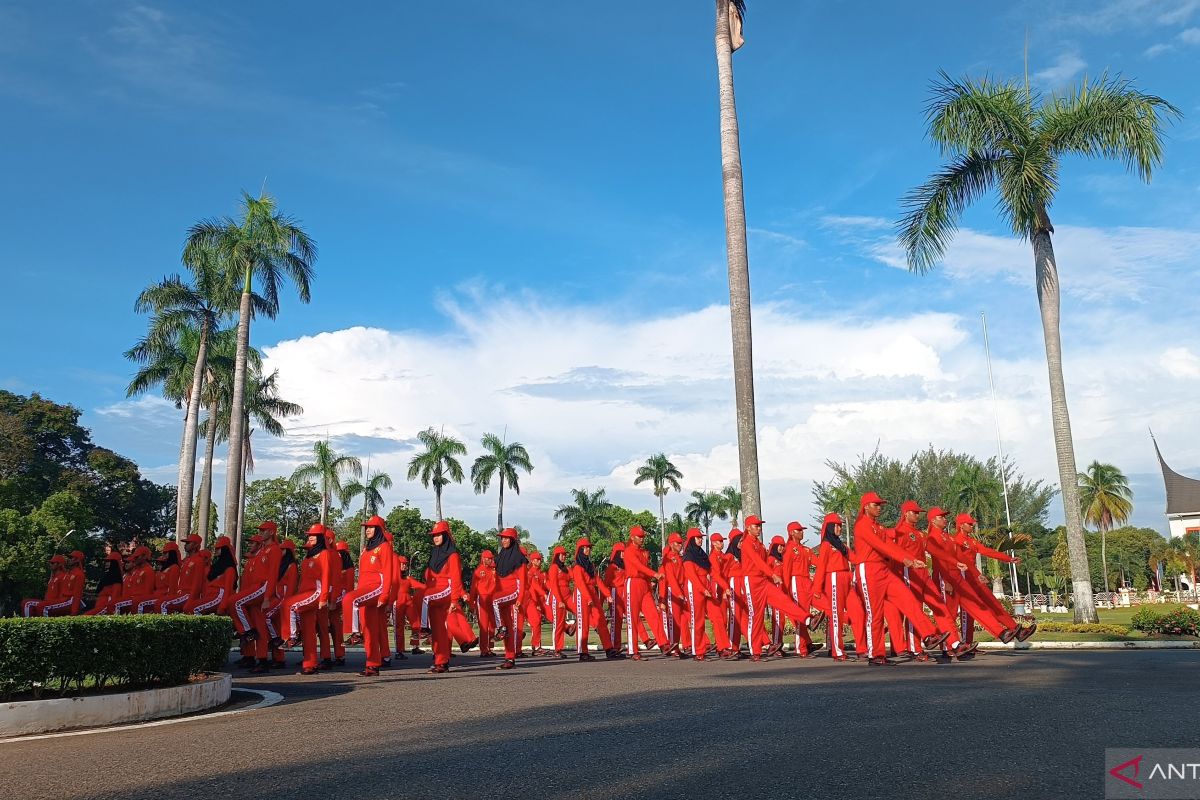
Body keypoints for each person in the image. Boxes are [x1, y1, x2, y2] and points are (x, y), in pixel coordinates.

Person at [851, 493, 951, 666]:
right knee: (875, 614)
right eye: (876, 504)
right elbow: (879, 545)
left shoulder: (879, 527)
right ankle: (876, 655)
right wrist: (905, 560)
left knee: (908, 599)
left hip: (883, 570)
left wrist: (911, 560)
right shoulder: (861, 525)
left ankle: (928, 635)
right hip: (868, 570)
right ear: (866, 506)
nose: (879, 507)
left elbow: (890, 545)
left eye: (880, 504)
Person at [888, 501, 964, 662]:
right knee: (914, 609)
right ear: (906, 514)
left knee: (939, 605)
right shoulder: (899, 532)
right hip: (909, 574)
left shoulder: (920, 534)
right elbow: (895, 554)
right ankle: (915, 649)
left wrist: (954, 562)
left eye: (918, 513)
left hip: (924, 574)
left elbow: (934, 550)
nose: (917, 515)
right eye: (914, 512)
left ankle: (955, 643)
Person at [738, 518, 817, 661]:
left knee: (784, 600)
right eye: (756, 526)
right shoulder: (747, 544)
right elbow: (758, 561)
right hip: (752, 582)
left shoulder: (760, 544)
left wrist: (770, 575)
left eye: (759, 526)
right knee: (757, 617)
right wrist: (773, 574)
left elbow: (764, 560)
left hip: (763, 581)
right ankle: (755, 652)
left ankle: (807, 620)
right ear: (748, 528)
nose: (759, 529)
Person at [277, 524, 335, 675]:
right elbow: (303, 579)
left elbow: (327, 576)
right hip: (305, 593)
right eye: (309, 534)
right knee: (309, 631)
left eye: (313, 535)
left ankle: (292, 636)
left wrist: (324, 598)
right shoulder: (309, 555)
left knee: (289, 606)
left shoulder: (325, 554)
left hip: (316, 592)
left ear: (321, 538)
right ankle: (310, 665)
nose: (310, 536)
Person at [345, 516, 394, 677]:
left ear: (379, 529)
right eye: (366, 527)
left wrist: (385, 595)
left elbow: (388, 572)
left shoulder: (384, 547)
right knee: (369, 629)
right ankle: (372, 665)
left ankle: (354, 633)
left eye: (371, 527)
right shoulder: (366, 549)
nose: (367, 529)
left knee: (350, 599)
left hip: (377, 587)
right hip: (365, 590)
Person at [810, 513, 864, 661]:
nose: (840, 528)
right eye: (837, 525)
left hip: (847, 579)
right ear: (829, 527)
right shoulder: (826, 545)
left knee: (858, 612)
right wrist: (817, 589)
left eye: (840, 525)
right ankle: (838, 651)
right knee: (837, 617)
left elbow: (855, 558)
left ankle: (862, 649)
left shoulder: (841, 545)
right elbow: (821, 567)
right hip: (833, 579)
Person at [232, 521, 283, 672]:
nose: (261, 533)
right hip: (256, 590)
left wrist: (267, 597)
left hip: (263, 588)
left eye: (263, 530)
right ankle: (261, 659)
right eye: (260, 531)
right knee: (260, 626)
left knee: (234, 602)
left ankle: (247, 631)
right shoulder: (262, 551)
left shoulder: (274, 550)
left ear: (272, 532)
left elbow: (273, 575)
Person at [421, 520, 469, 674]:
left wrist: (455, 600)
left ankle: (422, 628)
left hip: (446, 590)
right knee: (439, 631)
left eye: (438, 535)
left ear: (446, 535)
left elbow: (456, 577)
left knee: (424, 598)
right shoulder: (434, 553)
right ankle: (441, 662)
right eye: (433, 535)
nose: (435, 538)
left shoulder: (453, 554)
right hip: (435, 592)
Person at [622, 525, 670, 660]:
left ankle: (663, 644)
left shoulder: (644, 552)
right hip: (633, 584)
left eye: (643, 536)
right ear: (632, 538)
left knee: (653, 614)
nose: (642, 539)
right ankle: (633, 650)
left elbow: (645, 568)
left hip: (644, 585)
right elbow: (639, 566)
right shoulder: (629, 551)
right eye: (640, 536)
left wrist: (650, 581)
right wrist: (655, 574)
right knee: (633, 617)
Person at [681, 528, 727, 661]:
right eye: (698, 538)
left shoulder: (702, 554)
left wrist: (725, 587)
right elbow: (691, 575)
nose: (700, 539)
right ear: (691, 540)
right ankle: (698, 651)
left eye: (701, 537)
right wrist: (702, 589)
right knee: (698, 620)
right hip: (695, 587)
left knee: (717, 615)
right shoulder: (688, 556)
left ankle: (722, 647)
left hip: (706, 586)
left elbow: (713, 573)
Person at [570, 537, 617, 661]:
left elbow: (598, 581)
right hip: (582, 594)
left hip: (592, 592)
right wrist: (588, 598)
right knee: (583, 623)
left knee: (600, 619)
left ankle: (609, 648)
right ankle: (583, 652)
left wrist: (607, 594)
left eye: (589, 548)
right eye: (586, 548)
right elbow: (580, 583)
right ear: (580, 549)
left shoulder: (590, 565)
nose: (588, 550)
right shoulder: (577, 567)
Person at [782, 523, 823, 657]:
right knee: (802, 614)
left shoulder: (806, 549)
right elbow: (786, 571)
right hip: (796, 582)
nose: (802, 532)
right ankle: (801, 648)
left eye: (802, 530)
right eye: (799, 530)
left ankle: (808, 641)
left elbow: (819, 563)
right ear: (791, 533)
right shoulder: (789, 549)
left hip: (807, 582)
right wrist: (786, 591)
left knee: (820, 607)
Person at [492, 528, 528, 669]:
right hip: (503, 593)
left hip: (514, 591)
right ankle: (510, 658)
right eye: (502, 538)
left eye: (506, 538)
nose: (504, 541)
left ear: (512, 540)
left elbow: (523, 581)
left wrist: (520, 598)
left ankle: (501, 628)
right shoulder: (501, 556)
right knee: (509, 629)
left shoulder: (519, 558)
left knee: (494, 601)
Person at [265, 538, 298, 669]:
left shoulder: (292, 566)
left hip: (284, 600)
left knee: (267, 617)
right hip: (278, 598)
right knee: (273, 624)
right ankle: (277, 657)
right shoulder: (280, 565)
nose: (280, 551)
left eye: (283, 549)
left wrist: (286, 603)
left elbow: (291, 586)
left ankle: (276, 642)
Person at [160, 535, 206, 614]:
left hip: (188, 595)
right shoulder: (186, 561)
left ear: (195, 545)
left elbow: (197, 584)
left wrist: (191, 601)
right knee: (162, 602)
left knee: (163, 604)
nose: (185, 545)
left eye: (188, 543)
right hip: (181, 594)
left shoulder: (199, 560)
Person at [547, 545, 575, 658]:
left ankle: (573, 630)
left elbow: (574, 577)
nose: (563, 557)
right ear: (557, 556)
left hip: (568, 596)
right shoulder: (554, 567)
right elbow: (553, 585)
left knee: (580, 611)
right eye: (561, 555)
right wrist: (559, 600)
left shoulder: (566, 569)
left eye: (565, 555)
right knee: (558, 624)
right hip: (557, 597)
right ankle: (557, 649)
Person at [470, 550, 499, 658]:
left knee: (492, 625)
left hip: (492, 599)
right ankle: (483, 649)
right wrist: (471, 603)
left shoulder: (493, 571)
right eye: (487, 558)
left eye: (491, 558)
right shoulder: (479, 571)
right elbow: (473, 588)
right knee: (484, 625)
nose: (489, 560)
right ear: (483, 559)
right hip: (482, 599)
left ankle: (489, 647)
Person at [139, 543, 182, 614]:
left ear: (171, 554)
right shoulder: (163, 570)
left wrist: (168, 600)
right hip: (156, 595)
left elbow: (172, 588)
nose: (163, 555)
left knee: (141, 603)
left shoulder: (174, 567)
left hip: (163, 597)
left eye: (165, 553)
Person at [113, 546, 156, 615]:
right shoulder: (136, 571)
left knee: (116, 604)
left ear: (144, 557)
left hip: (140, 600)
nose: (135, 559)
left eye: (137, 557)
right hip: (132, 599)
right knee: (113, 604)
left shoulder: (149, 570)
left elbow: (148, 591)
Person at [522, 551, 548, 655]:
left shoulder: (540, 573)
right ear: (532, 561)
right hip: (528, 601)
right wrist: (536, 603)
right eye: (537, 560)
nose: (539, 561)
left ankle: (536, 646)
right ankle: (516, 648)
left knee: (537, 623)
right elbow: (533, 588)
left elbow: (540, 586)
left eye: (540, 560)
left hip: (536, 601)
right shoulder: (530, 572)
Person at [391, 553, 415, 661]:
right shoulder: (393, 577)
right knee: (399, 627)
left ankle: (415, 646)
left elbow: (418, 585)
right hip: (398, 602)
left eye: (405, 564)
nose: (404, 566)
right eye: (402, 564)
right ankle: (399, 651)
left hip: (408, 601)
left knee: (416, 622)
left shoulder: (408, 578)